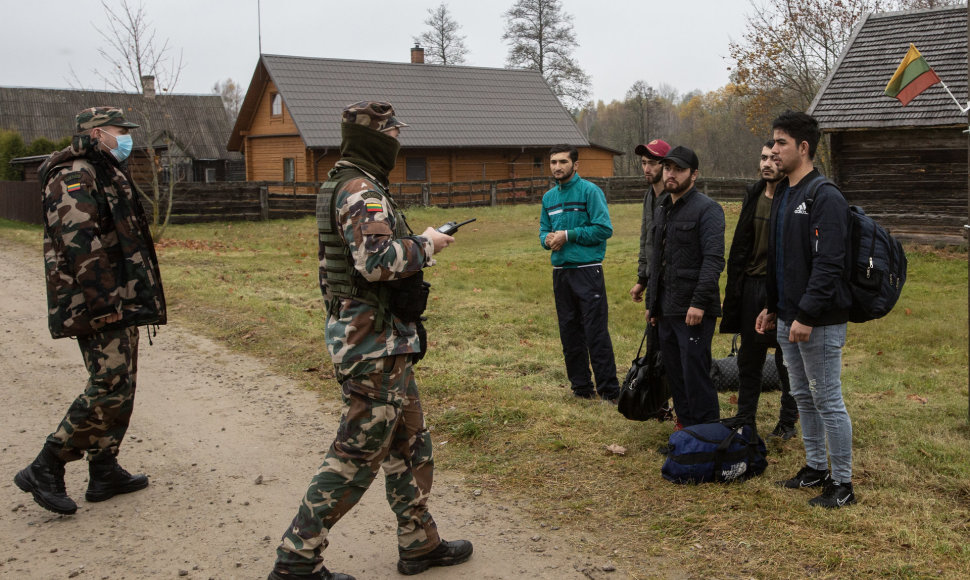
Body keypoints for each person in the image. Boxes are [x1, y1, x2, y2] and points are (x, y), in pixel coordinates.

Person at [267, 102, 472, 580]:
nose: (400, 139)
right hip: (371, 344)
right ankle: (297, 558)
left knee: (410, 443)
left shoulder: (354, 181)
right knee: (355, 454)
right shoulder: (360, 189)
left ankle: (419, 543)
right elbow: (377, 261)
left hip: (386, 340)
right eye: (395, 131)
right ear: (380, 137)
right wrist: (426, 244)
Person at [14, 107, 166, 515]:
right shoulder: (74, 175)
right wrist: (104, 304)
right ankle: (47, 465)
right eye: (121, 131)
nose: (127, 137)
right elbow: (81, 244)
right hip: (98, 301)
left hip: (120, 296)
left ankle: (104, 468)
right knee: (108, 382)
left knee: (124, 383)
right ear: (98, 132)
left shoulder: (105, 168)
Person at [756, 110, 855, 508]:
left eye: (781, 143)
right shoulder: (784, 193)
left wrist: (808, 315)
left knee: (827, 397)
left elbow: (830, 263)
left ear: (803, 147)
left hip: (819, 321)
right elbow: (782, 259)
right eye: (773, 142)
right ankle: (815, 468)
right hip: (787, 317)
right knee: (801, 394)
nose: (774, 150)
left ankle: (843, 484)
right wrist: (772, 306)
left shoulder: (825, 195)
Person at [720, 140, 798, 439]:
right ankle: (745, 417)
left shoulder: (793, 197)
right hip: (750, 287)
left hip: (782, 290)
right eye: (764, 157)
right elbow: (742, 244)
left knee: (786, 358)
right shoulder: (753, 194)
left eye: (774, 159)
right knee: (749, 357)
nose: (768, 163)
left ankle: (787, 421)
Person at [645, 146, 725, 427]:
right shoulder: (662, 208)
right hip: (666, 308)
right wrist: (652, 305)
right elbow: (658, 261)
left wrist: (699, 303)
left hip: (693, 310)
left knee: (695, 373)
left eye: (679, 169)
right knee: (675, 373)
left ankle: (706, 434)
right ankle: (685, 432)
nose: (671, 174)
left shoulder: (708, 209)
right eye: (668, 168)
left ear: (694, 174)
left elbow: (714, 260)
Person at [539, 144, 620, 402]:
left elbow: (603, 229)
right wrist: (547, 239)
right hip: (561, 272)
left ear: (576, 165)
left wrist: (568, 235)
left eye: (563, 162)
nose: (557, 167)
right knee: (569, 331)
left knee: (595, 332)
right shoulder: (548, 198)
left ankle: (609, 391)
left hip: (587, 271)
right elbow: (543, 232)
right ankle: (581, 388)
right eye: (553, 162)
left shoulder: (590, 192)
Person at [629, 139, 671, 308]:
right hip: (653, 280)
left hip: (671, 283)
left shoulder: (674, 198)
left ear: (665, 165)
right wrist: (642, 279)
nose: (646, 169)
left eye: (652, 163)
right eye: (644, 163)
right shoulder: (649, 195)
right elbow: (646, 238)